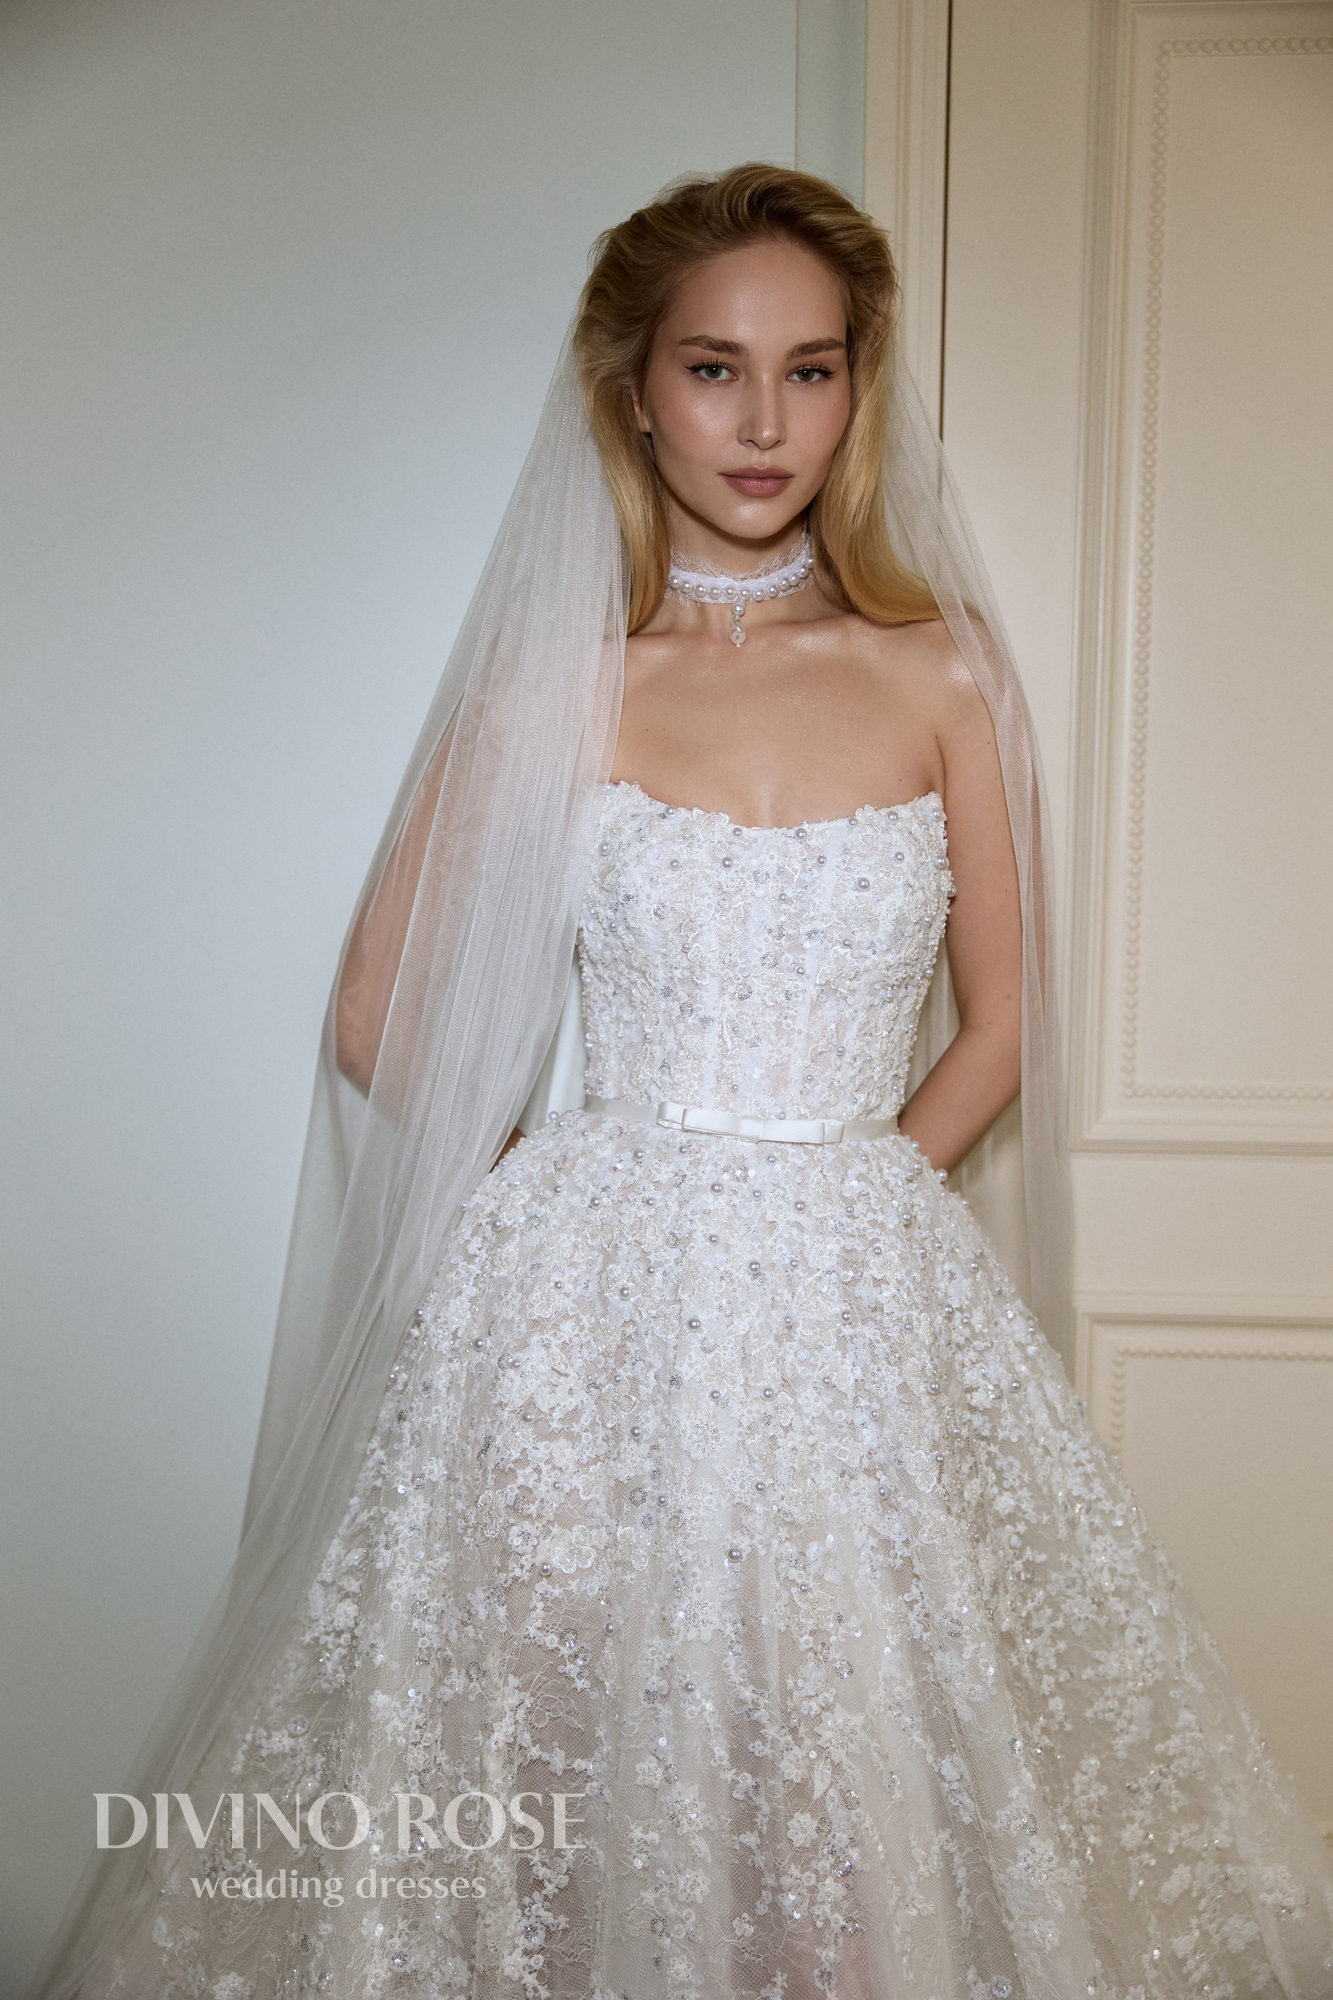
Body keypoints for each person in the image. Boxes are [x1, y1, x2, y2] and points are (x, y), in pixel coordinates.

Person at [36, 165, 1333, 2000]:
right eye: (714, 369)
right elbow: (373, 1008)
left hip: (854, 1294)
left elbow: (1005, 1022)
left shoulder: (942, 674)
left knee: (843, 1774)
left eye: (811, 371)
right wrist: (562, 1195)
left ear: (857, 389)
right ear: (634, 390)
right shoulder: (562, 683)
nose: (764, 422)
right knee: (563, 1764)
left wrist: (852, 1190)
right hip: (589, 1311)